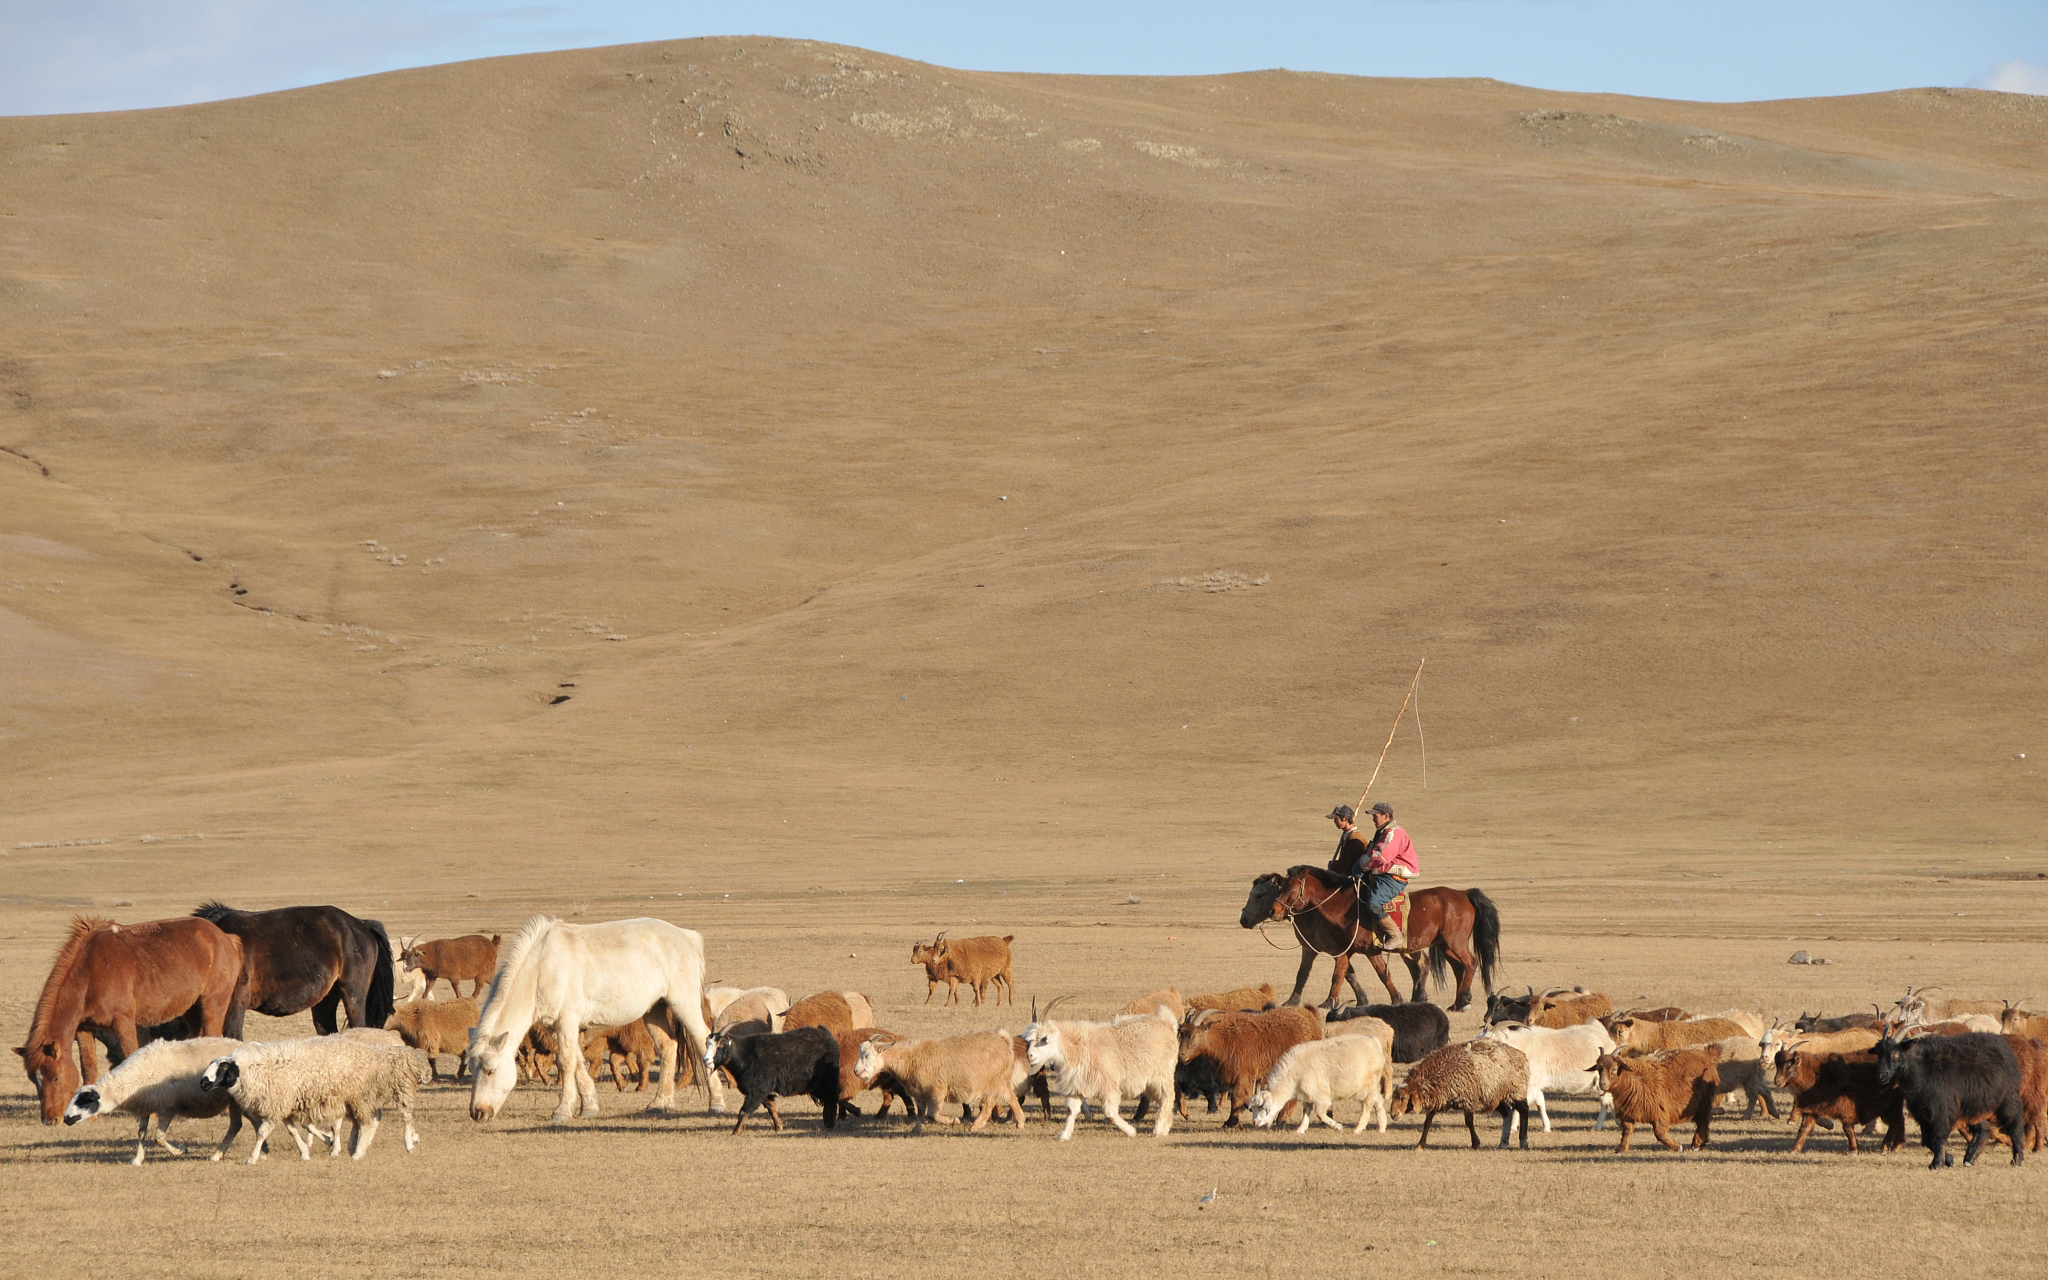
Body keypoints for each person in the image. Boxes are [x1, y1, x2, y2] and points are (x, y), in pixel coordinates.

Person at [1332, 801, 1417, 947]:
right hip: (1382, 875)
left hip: (1393, 878)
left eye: (1375, 816)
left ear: (1386, 816)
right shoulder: (1384, 832)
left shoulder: (1393, 833)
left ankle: (1395, 936)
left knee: (1373, 904)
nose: (1373, 819)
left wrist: (1360, 865)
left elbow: (1380, 856)